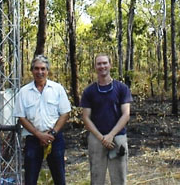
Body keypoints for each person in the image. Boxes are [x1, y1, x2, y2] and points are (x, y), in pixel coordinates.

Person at [13, 55, 71, 185]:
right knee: (30, 179)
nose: (40, 72)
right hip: (33, 140)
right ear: (32, 70)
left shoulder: (57, 89)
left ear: (47, 71)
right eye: (36, 69)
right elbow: (21, 117)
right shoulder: (24, 92)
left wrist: (52, 134)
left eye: (43, 69)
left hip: (55, 139)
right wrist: (39, 135)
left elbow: (65, 113)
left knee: (60, 179)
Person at [80, 54, 133, 185]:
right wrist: (102, 138)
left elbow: (126, 115)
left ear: (110, 65)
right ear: (95, 67)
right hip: (96, 139)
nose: (102, 66)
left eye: (105, 63)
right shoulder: (89, 91)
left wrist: (111, 135)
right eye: (99, 64)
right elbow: (86, 117)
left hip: (118, 137)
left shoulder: (122, 88)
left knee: (119, 178)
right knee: (96, 177)